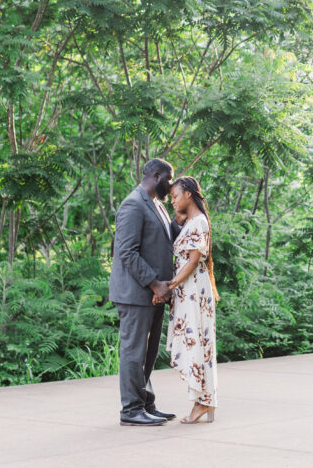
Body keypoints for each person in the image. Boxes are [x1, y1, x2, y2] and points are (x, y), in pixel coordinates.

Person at [109, 158, 180, 427]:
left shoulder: (157, 206)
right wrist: (155, 284)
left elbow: (169, 239)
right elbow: (126, 251)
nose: (171, 184)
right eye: (170, 178)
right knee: (133, 351)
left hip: (156, 293)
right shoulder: (133, 204)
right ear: (157, 175)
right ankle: (131, 409)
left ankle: (146, 403)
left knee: (148, 352)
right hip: (136, 293)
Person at [159, 175, 220, 424]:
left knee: (198, 343)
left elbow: (193, 260)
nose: (172, 200)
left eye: (175, 196)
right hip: (189, 289)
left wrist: (169, 285)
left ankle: (203, 402)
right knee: (198, 343)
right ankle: (204, 400)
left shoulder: (199, 222)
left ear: (188, 195)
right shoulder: (192, 221)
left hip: (193, 289)